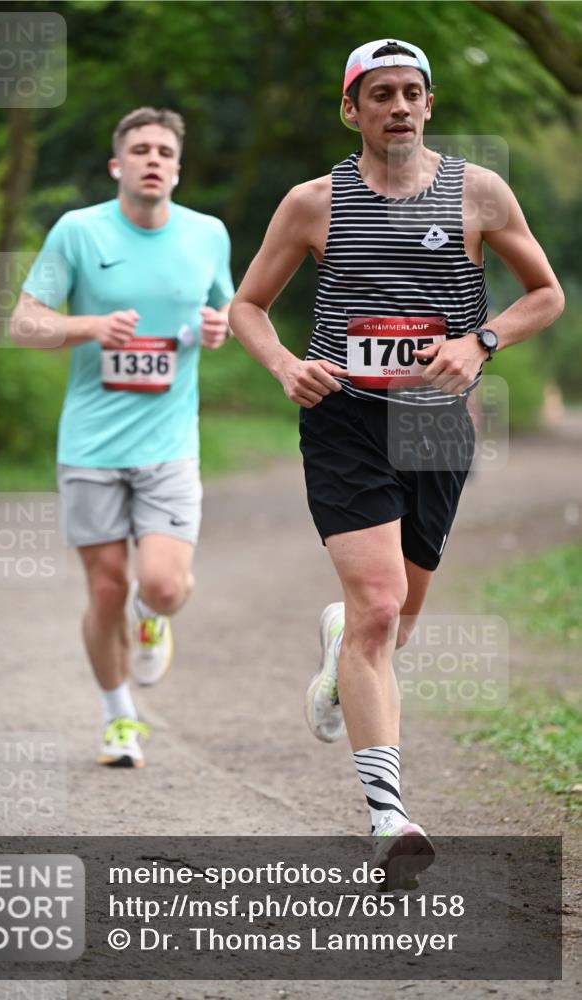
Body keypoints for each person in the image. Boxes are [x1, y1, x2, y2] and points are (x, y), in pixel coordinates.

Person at [229, 40, 564, 885]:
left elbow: (544, 293)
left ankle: (341, 641)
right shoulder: (312, 204)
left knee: (395, 623)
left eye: (412, 92)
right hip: (342, 417)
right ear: (352, 109)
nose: (399, 108)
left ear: (428, 103)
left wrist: (479, 340)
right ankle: (388, 816)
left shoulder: (477, 192)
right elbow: (248, 307)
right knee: (379, 606)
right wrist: (283, 366)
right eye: (380, 94)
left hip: (436, 423)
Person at [11, 107, 234, 769]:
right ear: (118, 165)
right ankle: (119, 720)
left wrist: (218, 326)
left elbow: (227, 308)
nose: (152, 158)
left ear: (177, 167)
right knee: (104, 589)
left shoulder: (206, 234)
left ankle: (152, 615)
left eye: (164, 149)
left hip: (168, 444)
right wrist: (90, 327)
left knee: (161, 586)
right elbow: (25, 324)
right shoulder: (78, 232)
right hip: (90, 444)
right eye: (139, 148)